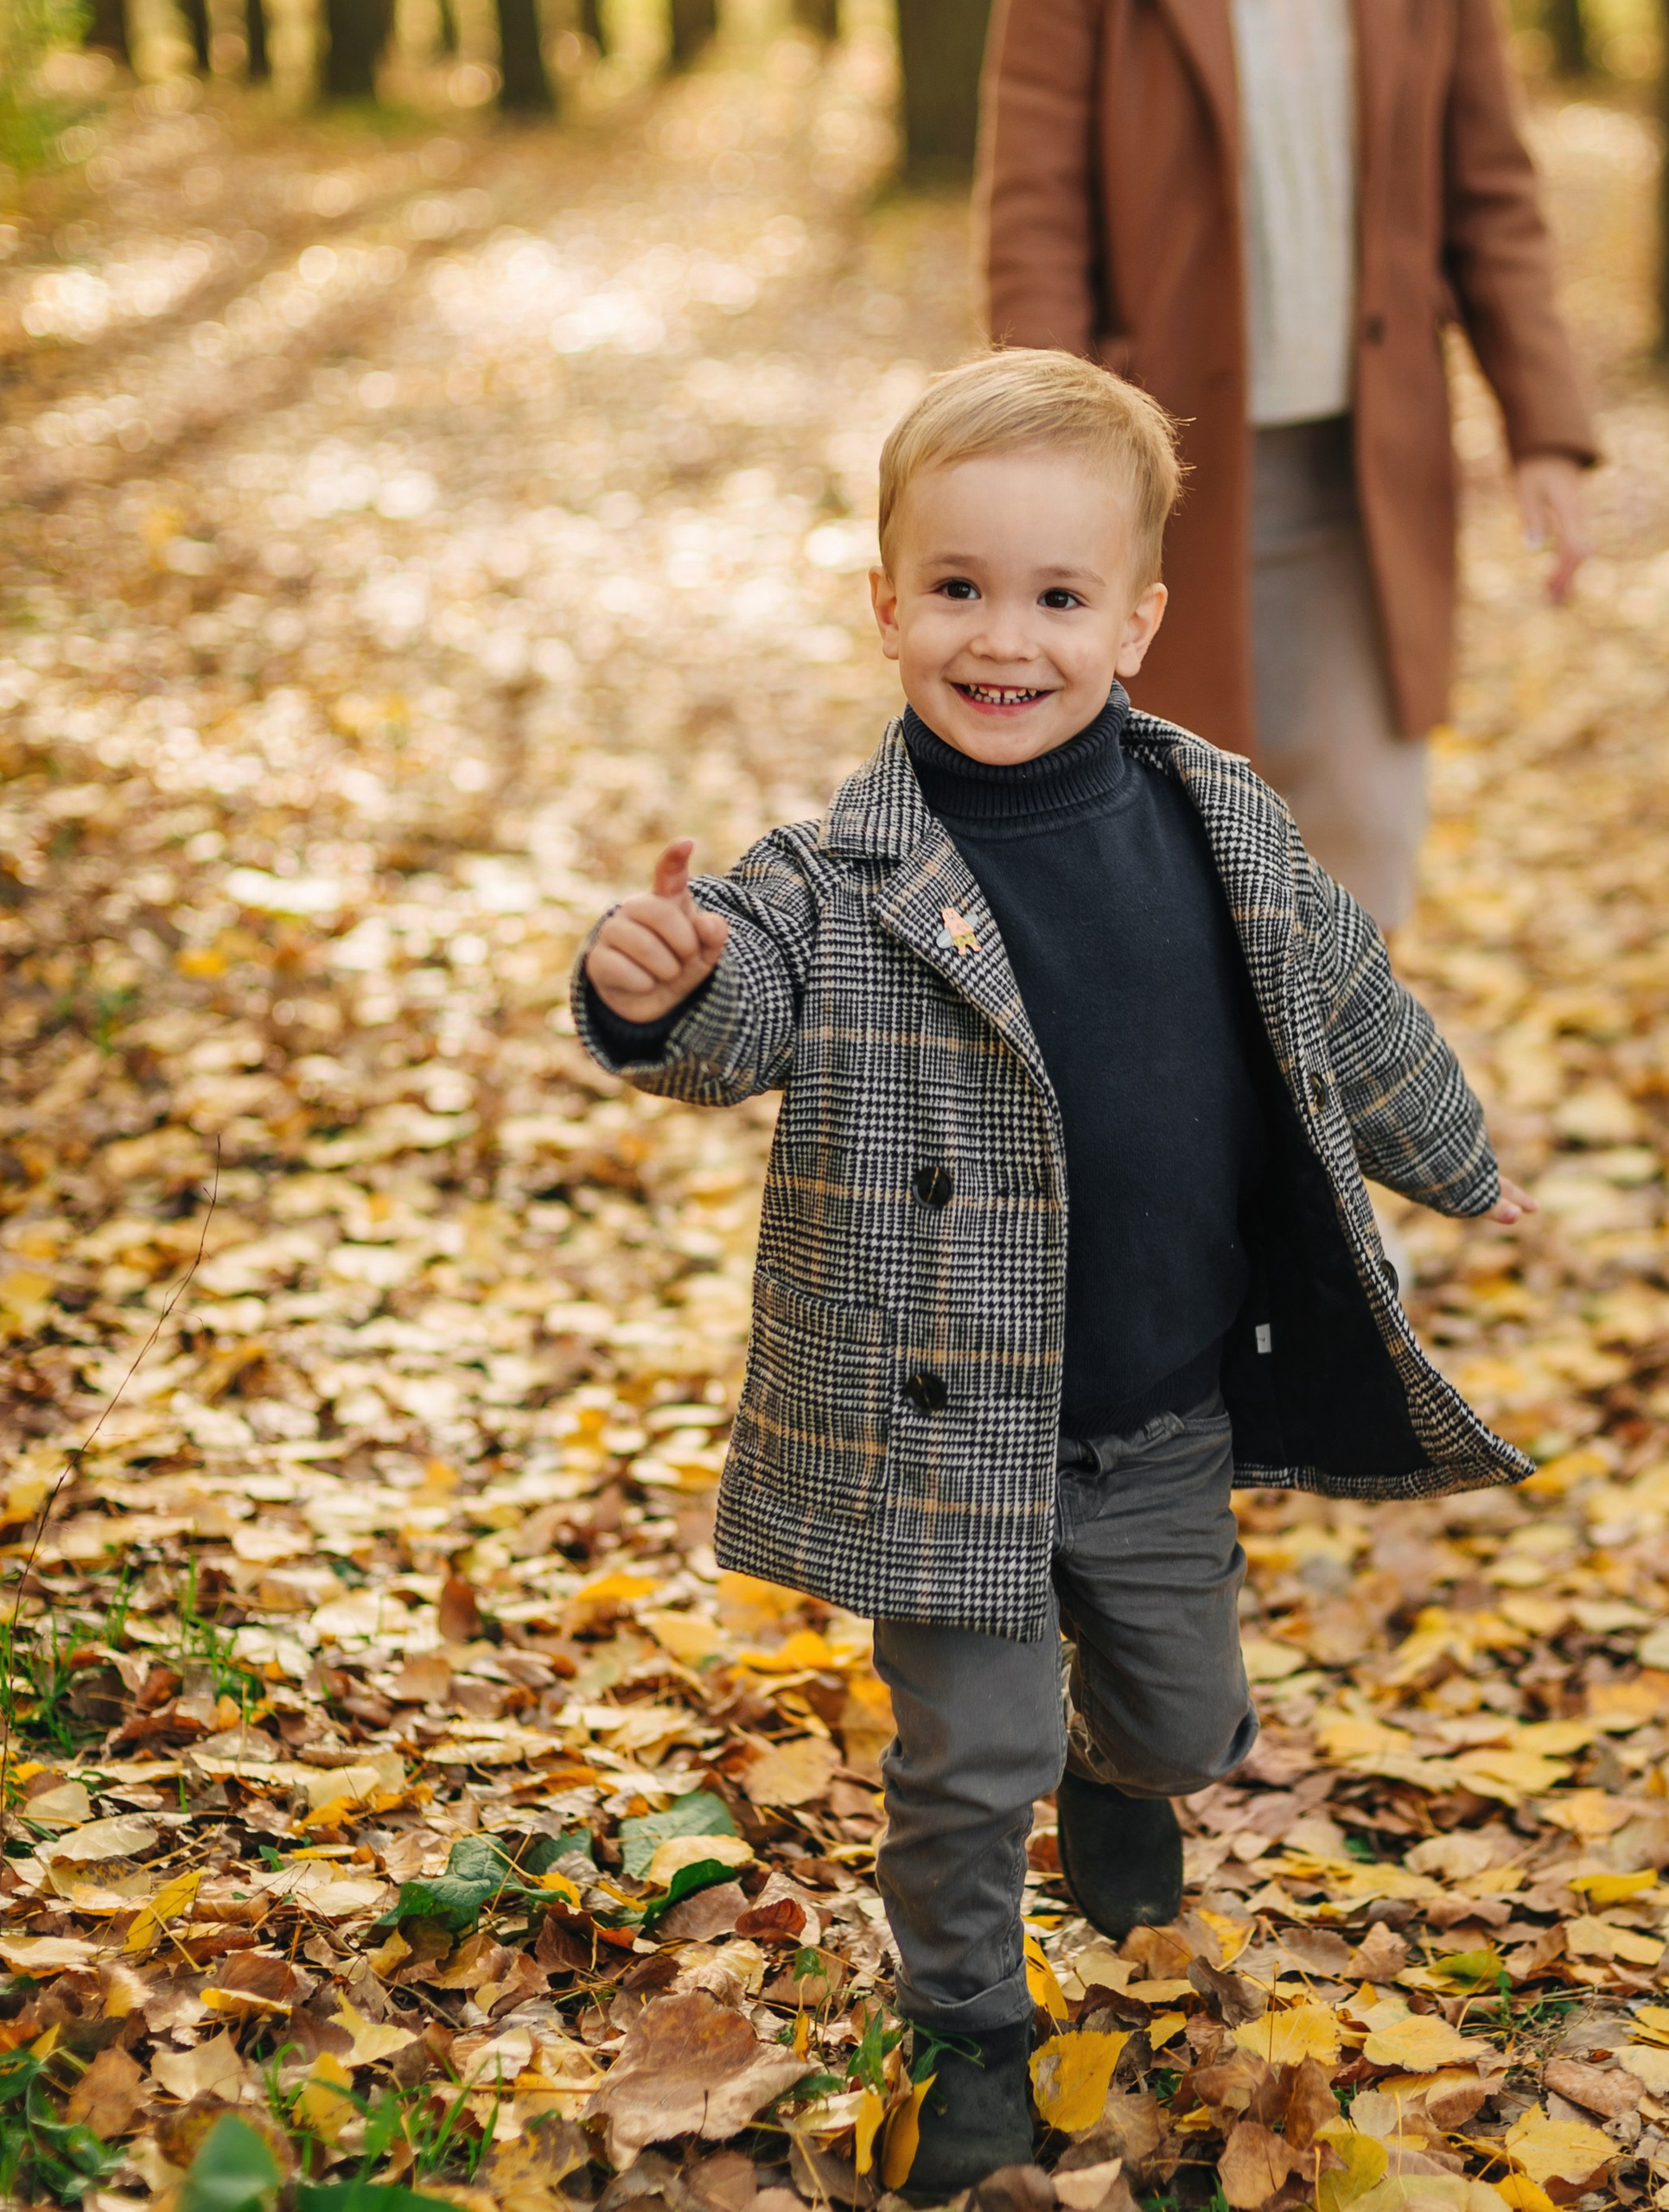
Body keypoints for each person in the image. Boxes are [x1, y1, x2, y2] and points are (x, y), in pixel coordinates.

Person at [574, 351, 1537, 2196]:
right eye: (955, 588)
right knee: (963, 1759)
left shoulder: (1220, 816)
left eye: (1053, 595)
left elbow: (1341, 997)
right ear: (883, 603)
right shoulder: (834, 877)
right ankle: (964, 2032)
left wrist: (1451, 1150)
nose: (999, 637)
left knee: (1186, 1716)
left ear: (1136, 619)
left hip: (1160, 1409)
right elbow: (740, 1009)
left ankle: (1118, 1776)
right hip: (950, 1436)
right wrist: (662, 984)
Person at [976, 0, 1598, 931]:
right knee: (1152, 847)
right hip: (1147, 483)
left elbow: (1491, 195)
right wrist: (1046, 442)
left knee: (1361, 835)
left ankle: (1329, 1075)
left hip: (1365, 475)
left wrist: (1544, 426)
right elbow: (1038, 207)